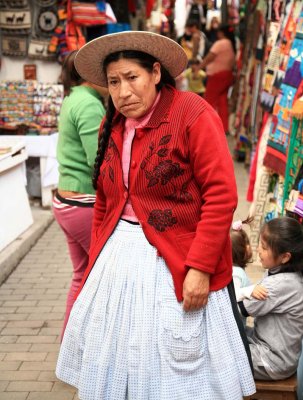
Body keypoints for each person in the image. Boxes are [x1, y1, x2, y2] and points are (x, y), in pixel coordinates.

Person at [56, 31, 256, 399]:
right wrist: (96, 262)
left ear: (155, 72)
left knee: (177, 371)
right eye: (113, 82)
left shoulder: (192, 114)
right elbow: (106, 198)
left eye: (132, 78)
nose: (122, 92)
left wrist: (200, 267)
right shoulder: (112, 122)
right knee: (121, 362)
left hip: (179, 261)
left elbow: (221, 195)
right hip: (120, 260)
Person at [53, 50, 107, 336]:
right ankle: (89, 345)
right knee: (104, 275)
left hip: (67, 201)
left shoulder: (74, 97)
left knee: (82, 274)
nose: (112, 82)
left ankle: (70, 343)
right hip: (83, 202)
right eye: (108, 76)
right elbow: (97, 160)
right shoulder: (88, 104)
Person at [238, 217, 303, 380]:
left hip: (272, 360)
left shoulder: (281, 285)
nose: (258, 249)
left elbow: (238, 309)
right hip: (273, 348)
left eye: (264, 247)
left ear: (285, 257)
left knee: (218, 355)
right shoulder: (280, 272)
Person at [231, 218, 267, 326]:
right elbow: (232, 294)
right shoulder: (235, 273)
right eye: (246, 242)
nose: (249, 246)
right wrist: (250, 290)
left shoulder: (236, 270)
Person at [201, 23, 236, 134]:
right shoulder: (230, 43)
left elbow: (210, 57)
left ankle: (205, 127)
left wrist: (199, 67)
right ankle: (224, 128)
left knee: (209, 100)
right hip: (227, 75)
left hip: (217, 75)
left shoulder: (221, 43)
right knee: (222, 102)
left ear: (221, 33)